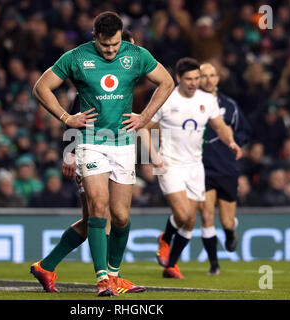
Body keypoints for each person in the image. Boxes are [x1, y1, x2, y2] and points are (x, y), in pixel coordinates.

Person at [31, 12, 174, 297]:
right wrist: (65, 119)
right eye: (105, 45)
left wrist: (145, 117)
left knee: (118, 216)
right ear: (94, 36)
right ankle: (104, 280)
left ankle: (51, 266)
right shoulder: (76, 58)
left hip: (122, 143)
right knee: (99, 208)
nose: (111, 51)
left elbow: (167, 82)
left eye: (116, 45)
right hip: (88, 141)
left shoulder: (136, 55)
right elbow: (41, 87)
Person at [142, 57, 242, 279]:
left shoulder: (207, 100)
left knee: (190, 220)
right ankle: (166, 238)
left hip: (196, 166)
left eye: (197, 78)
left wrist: (231, 142)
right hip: (167, 163)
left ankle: (171, 265)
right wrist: (153, 156)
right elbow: (142, 127)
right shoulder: (165, 99)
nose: (194, 83)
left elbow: (221, 127)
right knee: (183, 214)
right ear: (178, 78)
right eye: (189, 79)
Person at [197, 63, 251, 275]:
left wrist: (234, 144)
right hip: (202, 169)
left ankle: (230, 233)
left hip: (226, 168)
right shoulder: (190, 104)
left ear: (218, 79)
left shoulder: (230, 106)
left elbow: (244, 131)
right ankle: (214, 264)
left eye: (212, 76)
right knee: (207, 215)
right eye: (203, 76)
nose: (208, 80)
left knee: (227, 220)